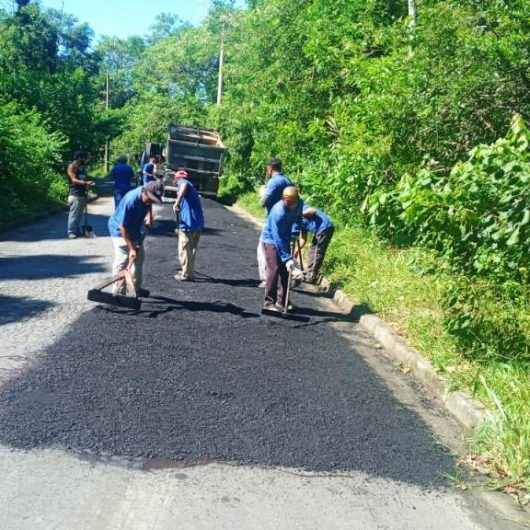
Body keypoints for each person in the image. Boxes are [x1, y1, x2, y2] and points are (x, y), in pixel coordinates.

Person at [107, 181, 164, 297]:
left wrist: (149, 216)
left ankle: (135, 288)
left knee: (139, 259)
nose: (151, 201)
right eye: (150, 198)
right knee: (122, 260)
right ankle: (118, 292)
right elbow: (123, 227)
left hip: (135, 228)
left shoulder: (147, 196)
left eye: (154, 199)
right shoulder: (131, 201)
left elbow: (149, 204)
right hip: (119, 231)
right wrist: (131, 248)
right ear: (144, 192)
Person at [261, 186, 304, 312]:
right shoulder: (278, 212)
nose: (289, 204)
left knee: (286, 272)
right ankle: (269, 302)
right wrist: (287, 259)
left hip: (285, 238)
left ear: (297, 199)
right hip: (271, 240)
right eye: (287, 201)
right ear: (283, 199)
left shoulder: (299, 203)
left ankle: (282, 301)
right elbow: (277, 238)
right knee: (274, 269)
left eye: (292, 202)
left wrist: (295, 232)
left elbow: (298, 217)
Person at [257, 158, 292, 285]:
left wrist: (262, 193)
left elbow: (263, 202)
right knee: (281, 248)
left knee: (264, 249)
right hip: (287, 220)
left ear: (270, 168)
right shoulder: (288, 181)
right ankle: (281, 284)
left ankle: (267, 279)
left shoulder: (273, 182)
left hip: (272, 220)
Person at [173, 169, 204, 281]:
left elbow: (183, 185)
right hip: (197, 223)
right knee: (191, 250)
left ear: (177, 179)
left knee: (185, 249)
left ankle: (186, 275)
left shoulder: (183, 183)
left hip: (189, 224)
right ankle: (188, 271)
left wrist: (176, 202)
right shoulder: (191, 188)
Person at [297, 207, 334, 284]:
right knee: (312, 250)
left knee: (317, 251)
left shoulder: (299, 207)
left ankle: (312, 276)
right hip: (319, 230)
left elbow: (313, 210)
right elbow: (303, 239)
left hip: (325, 227)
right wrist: (297, 250)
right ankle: (310, 273)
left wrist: (299, 214)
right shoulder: (297, 222)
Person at [67, 151, 94, 239]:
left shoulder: (82, 168)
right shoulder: (72, 166)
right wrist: (85, 182)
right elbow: (74, 180)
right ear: (79, 158)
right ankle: (71, 232)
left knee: (79, 214)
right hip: (75, 194)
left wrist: (88, 185)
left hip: (82, 194)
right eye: (84, 158)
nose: (85, 160)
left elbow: (83, 179)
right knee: (74, 214)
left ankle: (76, 230)